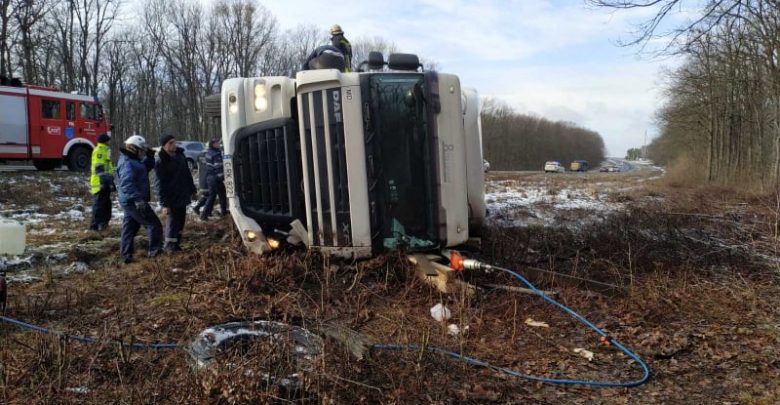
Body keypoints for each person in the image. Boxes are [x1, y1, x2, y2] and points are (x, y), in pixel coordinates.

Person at [116, 135, 162, 264]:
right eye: (141, 150)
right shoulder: (127, 163)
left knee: (129, 229)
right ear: (132, 148)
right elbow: (126, 184)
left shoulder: (133, 160)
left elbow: (143, 169)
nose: (142, 153)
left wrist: (150, 157)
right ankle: (155, 254)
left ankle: (125, 257)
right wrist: (138, 200)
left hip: (130, 200)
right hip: (133, 201)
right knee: (154, 225)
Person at [154, 135, 197, 252]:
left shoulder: (180, 155)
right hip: (171, 198)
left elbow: (187, 174)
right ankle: (169, 246)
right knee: (172, 222)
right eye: (171, 143)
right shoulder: (161, 161)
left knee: (181, 221)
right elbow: (159, 185)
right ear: (164, 145)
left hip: (182, 194)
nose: (174, 145)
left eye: (175, 142)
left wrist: (192, 190)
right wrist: (164, 204)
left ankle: (177, 243)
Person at [89, 133, 114, 231]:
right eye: (108, 140)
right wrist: (105, 181)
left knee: (106, 204)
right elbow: (99, 168)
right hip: (100, 183)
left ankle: (103, 225)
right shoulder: (99, 150)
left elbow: (107, 167)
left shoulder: (105, 150)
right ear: (105, 141)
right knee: (98, 205)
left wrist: (110, 181)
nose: (109, 142)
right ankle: (93, 228)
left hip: (105, 181)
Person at [200, 138, 227, 220]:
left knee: (211, 196)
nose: (218, 144)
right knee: (222, 195)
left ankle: (204, 214)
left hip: (209, 177)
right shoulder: (216, 154)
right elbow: (218, 167)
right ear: (213, 144)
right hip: (215, 178)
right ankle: (224, 213)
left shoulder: (209, 152)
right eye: (216, 143)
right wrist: (222, 177)